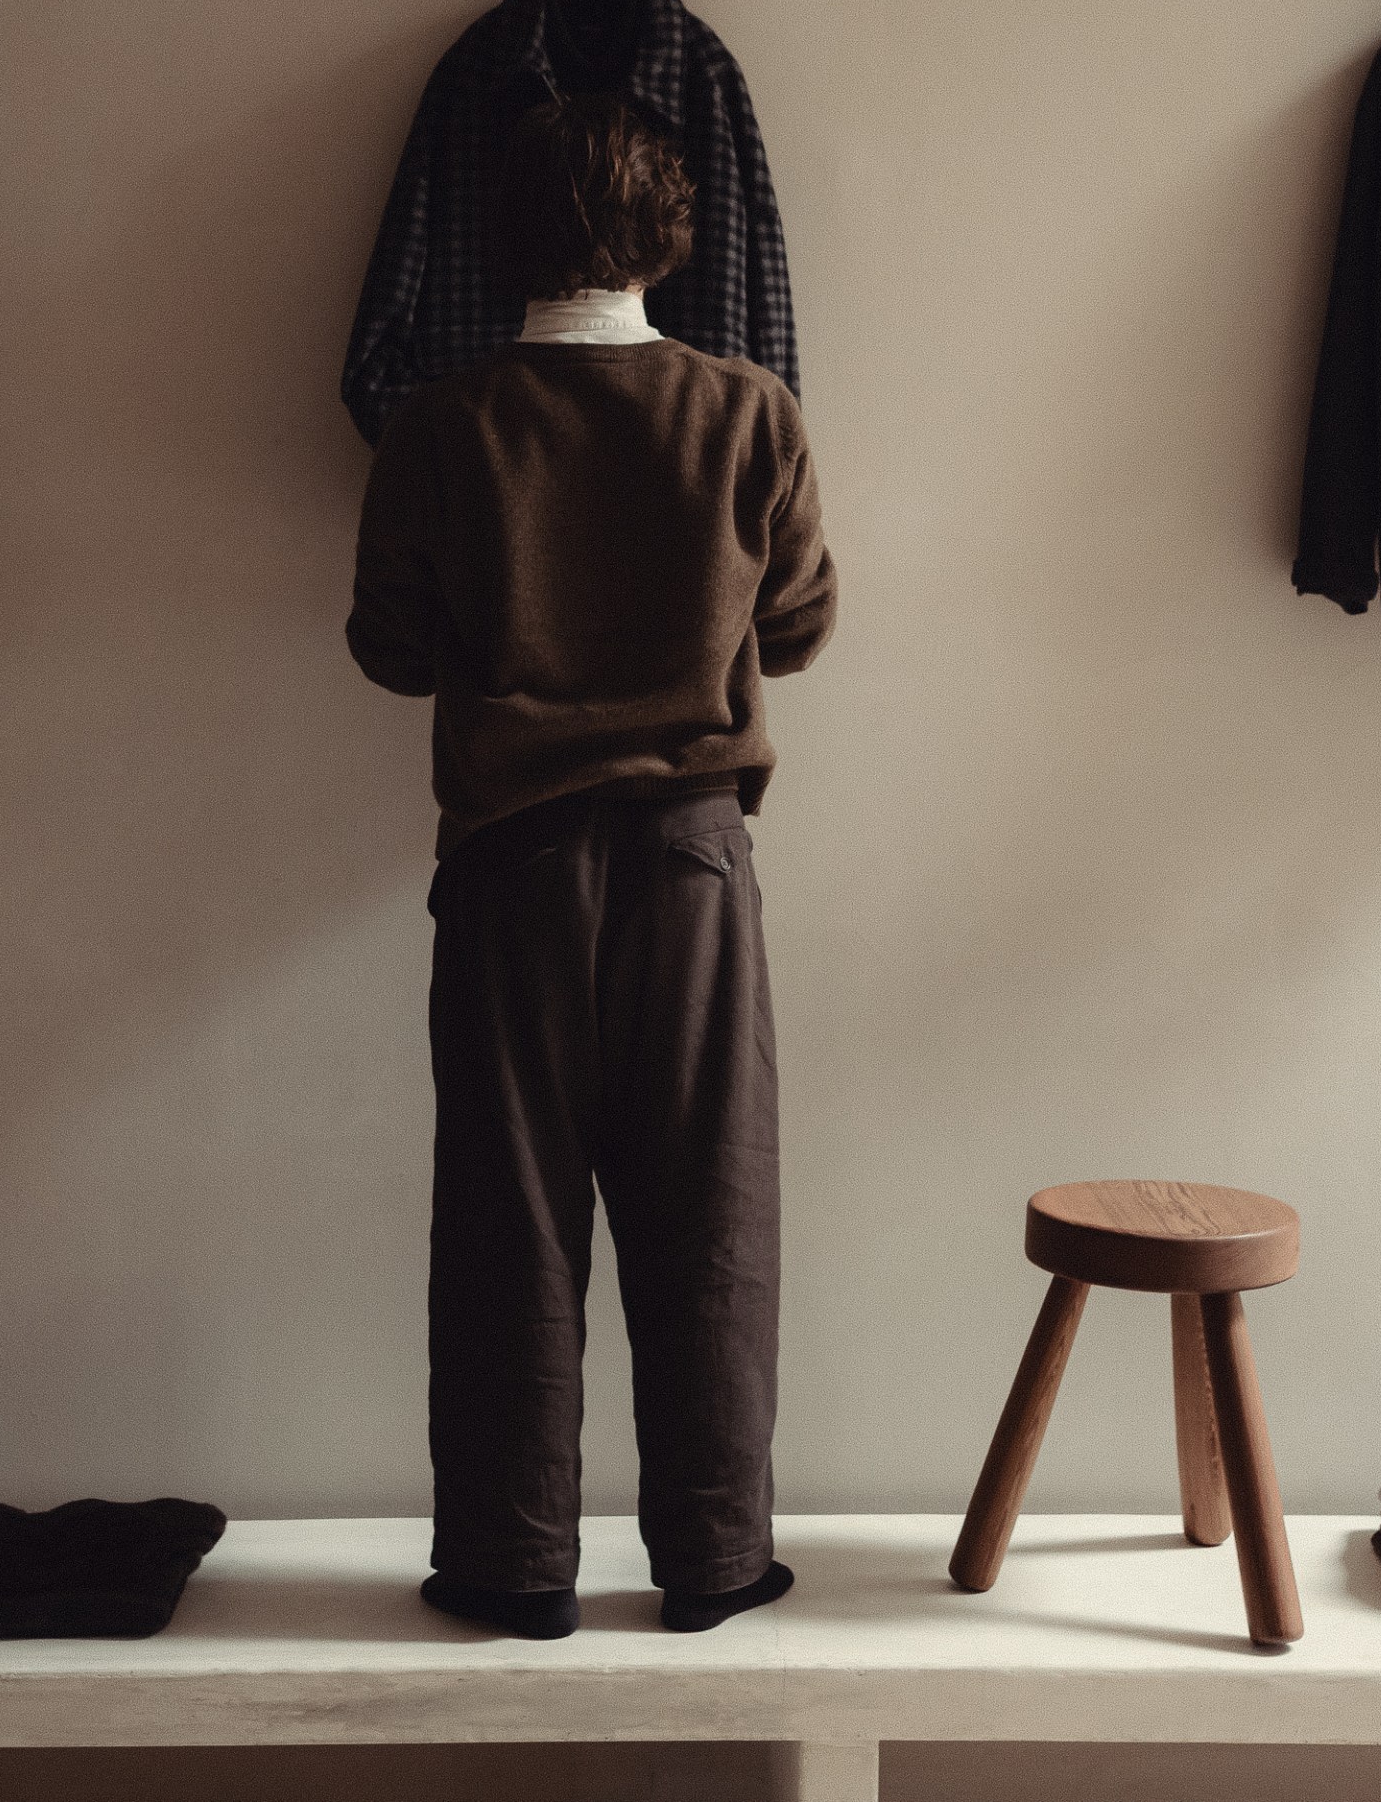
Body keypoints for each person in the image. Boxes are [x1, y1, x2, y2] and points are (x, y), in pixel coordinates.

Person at [346, 89, 837, 1639]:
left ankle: (508, 1567)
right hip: (693, 866)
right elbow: (806, 624)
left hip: (508, 870)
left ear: (503, 245)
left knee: (511, 1217)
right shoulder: (750, 410)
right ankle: (712, 1560)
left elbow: (391, 648)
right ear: (669, 240)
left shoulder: (444, 421)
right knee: (711, 1211)